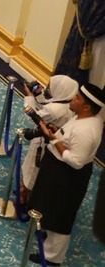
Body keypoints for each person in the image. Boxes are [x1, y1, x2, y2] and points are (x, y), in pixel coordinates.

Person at [27, 83, 105, 265]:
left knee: (60, 217)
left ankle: (53, 258)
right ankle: (48, 247)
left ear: (86, 107)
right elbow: (70, 140)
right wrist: (58, 134)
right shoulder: (85, 118)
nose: (72, 99)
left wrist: (55, 141)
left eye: (77, 98)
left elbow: (76, 162)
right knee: (51, 209)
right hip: (58, 170)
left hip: (67, 176)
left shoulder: (85, 130)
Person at [20, 75, 79, 202]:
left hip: (42, 143)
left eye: (50, 87)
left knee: (32, 172)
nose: (48, 88)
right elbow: (47, 104)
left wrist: (30, 96)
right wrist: (39, 95)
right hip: (53, 143)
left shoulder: (55, 109)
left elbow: (35, 114)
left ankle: (24, 201)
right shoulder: (68, 103)